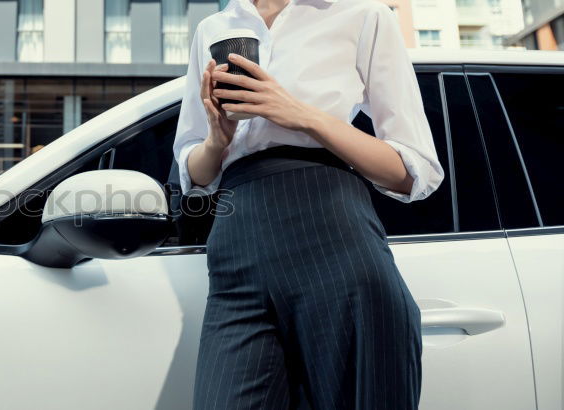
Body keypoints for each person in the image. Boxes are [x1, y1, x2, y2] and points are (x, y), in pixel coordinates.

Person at [172, 0, 445, 409]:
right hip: (236, 244)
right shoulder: (214, 27)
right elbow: (195, 172)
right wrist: (218, 139)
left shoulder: (363, 15)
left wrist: (300, 114)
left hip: (332, 232)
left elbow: (413, 171)